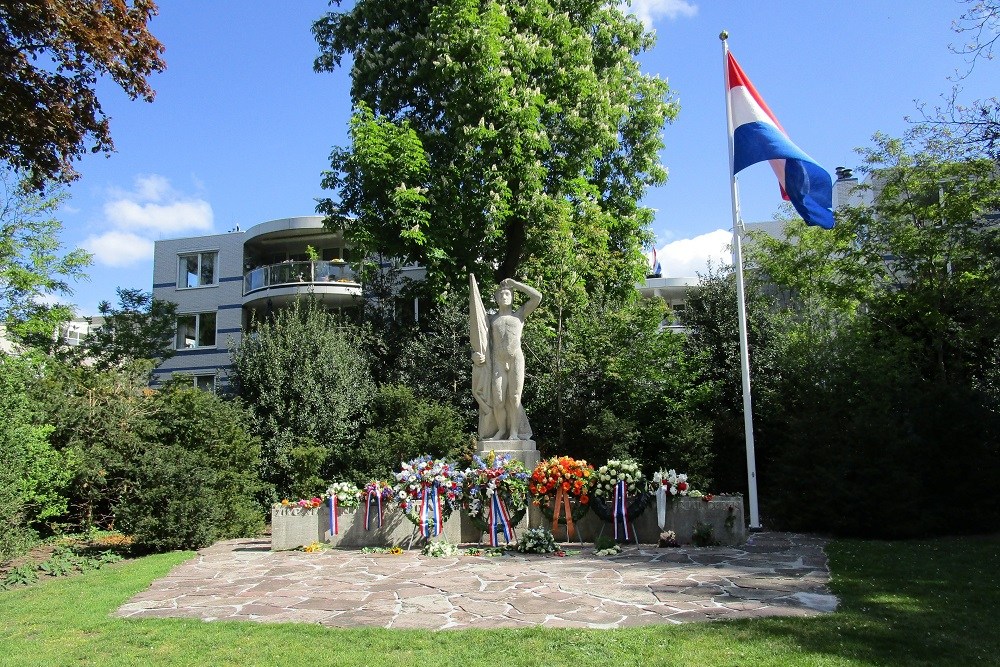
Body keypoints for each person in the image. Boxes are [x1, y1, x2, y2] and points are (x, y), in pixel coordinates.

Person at [469, 275, 542, 441]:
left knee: (515, 397)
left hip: (515, 358)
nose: (504, 296)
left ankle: (515, 433)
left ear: (512, 297)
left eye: (508, 294)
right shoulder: (490, 319)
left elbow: (537, 297)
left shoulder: (519, 315)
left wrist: (515, 284)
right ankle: (501, 430)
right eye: (501, 294)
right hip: (498, 362)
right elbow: (478, 340)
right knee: (499, 399)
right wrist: (474, 355)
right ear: (495, 298)